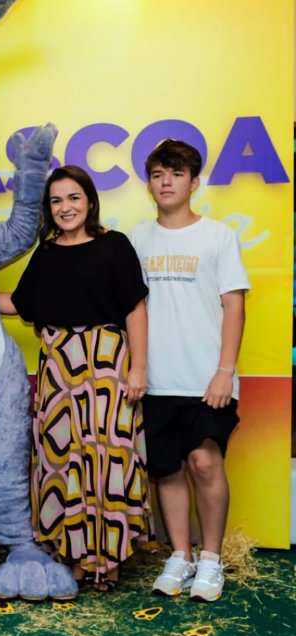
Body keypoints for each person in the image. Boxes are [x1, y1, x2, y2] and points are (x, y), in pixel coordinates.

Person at [0, 165, 151, 591]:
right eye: (56, 200)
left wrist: (139, 368)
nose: (65, 207)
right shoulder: (46, 253)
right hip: (58, 371)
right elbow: (20, 303)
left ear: (90, 201)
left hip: (107, 367)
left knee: (108, 460)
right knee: (63, 461)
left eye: (73, 197)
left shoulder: (115, 246)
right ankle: (77, 555)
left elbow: (135, 308)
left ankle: (109, 557)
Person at [129, 139, 249, 602]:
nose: (166, 182)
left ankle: (211, 559)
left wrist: (224, 371)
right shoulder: (135, 239)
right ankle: (180, 556)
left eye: (176, 174)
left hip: (206, 378)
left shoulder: (218, 236)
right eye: (158, 175)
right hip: (155, 379)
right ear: (149, 184)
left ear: (194, 183)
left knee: (204, 462)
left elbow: (234, 305)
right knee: (167, 469)